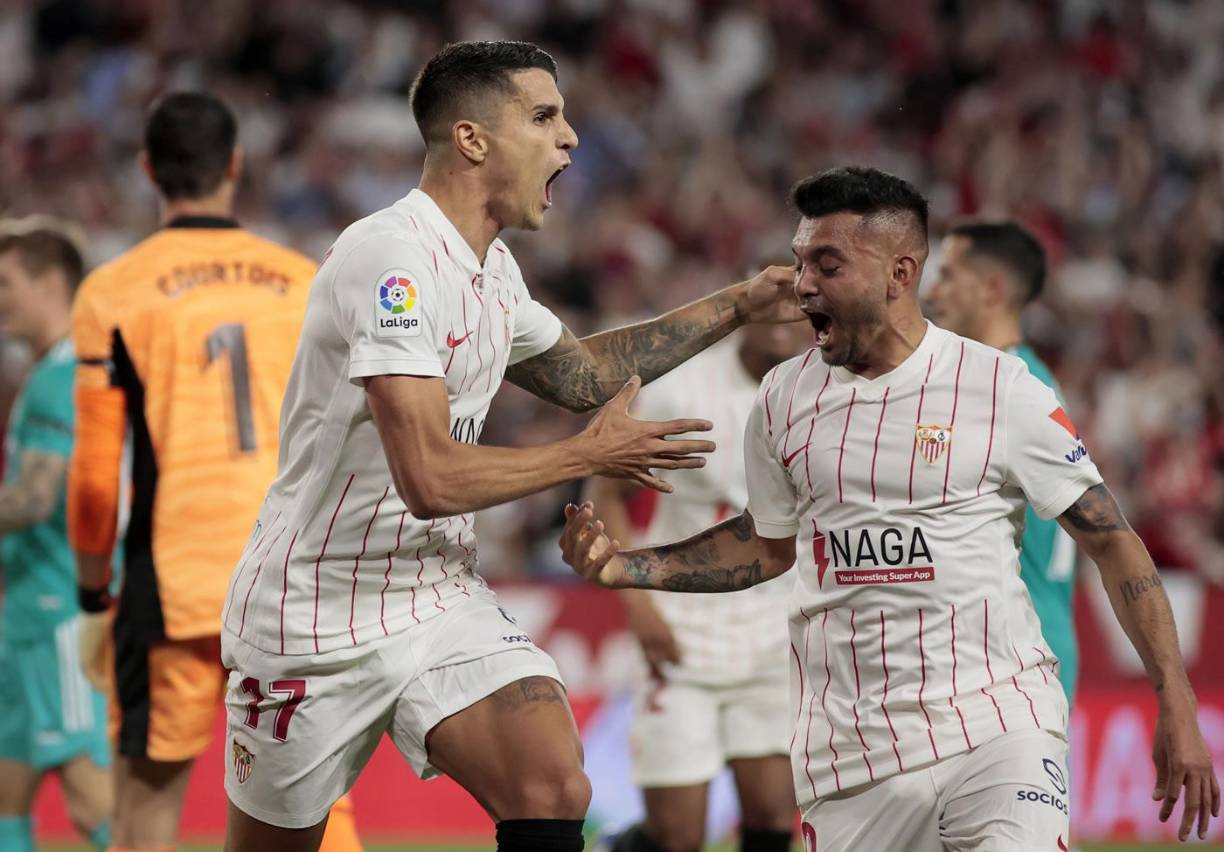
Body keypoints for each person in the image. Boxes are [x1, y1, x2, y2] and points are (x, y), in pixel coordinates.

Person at [218, 40, 799, 852]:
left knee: (554, 784)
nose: (570, 137)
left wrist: (739, 304)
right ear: (472, 140)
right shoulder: (391, 261)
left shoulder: (491, 271)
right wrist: (585, 457)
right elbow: (427, 475)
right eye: (544, 115)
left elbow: (590, 374)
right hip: (312, 610)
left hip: (432, 591)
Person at [559, 166, 1220, 850]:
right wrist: (630, 570)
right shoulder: (783, 399)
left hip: (998, 728)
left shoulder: (1002, 388)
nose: (803, 284)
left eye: (828, 263)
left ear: (900, 274)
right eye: (799, 261)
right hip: (851, 754)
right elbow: (765, 543)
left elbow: (1113, 541)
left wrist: (1175, 699)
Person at [67, 93, 361, 852]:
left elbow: (97, 478)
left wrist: (94, 591)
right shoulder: (304, 280)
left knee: (147, 815)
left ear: (146, 171)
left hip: (177, 586)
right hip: (293, 581)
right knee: (319, 810)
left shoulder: (113, 290)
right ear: (235, 164)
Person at [584, 322, 808, 852]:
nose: (782, 316)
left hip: (778, 633)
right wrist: (639, 606)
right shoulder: (679, 387)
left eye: (793, 306)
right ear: (747, 310)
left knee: (774, 820)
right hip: (680, 629)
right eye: (769, 302)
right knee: (677, 836)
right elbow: (606, 491)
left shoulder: (824, 393)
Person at [928, 220, 1079, 706]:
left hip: (1016, 644)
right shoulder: (1026, 377)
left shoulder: (1000, 391)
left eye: (948, 275)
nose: (931, 292)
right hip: (1022, 632)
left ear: (992, 289)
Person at [0, 220, 111, 851]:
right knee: (7, 788)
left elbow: (37, 499)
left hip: (57, 610)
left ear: (50, 283)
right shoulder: (56, 371)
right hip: (28, 611)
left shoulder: (59, 379)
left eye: (7, 282)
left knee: (86, 787)